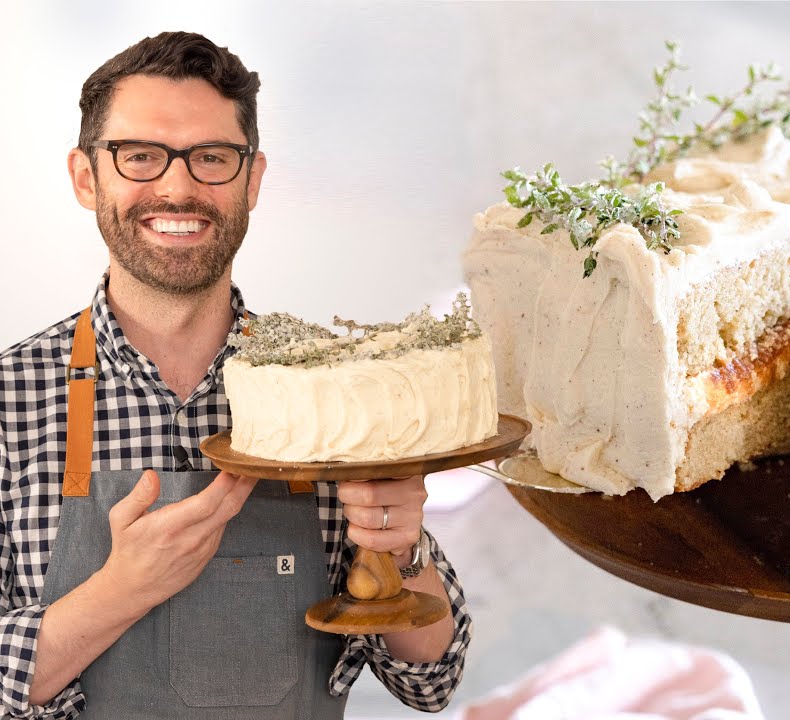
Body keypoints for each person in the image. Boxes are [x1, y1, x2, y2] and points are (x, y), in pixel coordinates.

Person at [0, 31, 470, 719]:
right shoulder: (10, 403)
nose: (177, 188)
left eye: (212, 158)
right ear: (86, 177)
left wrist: (400, 551)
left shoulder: (335, 390)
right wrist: (121, 591)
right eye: (140, 156)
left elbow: (430, 678)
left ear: (252, 180)